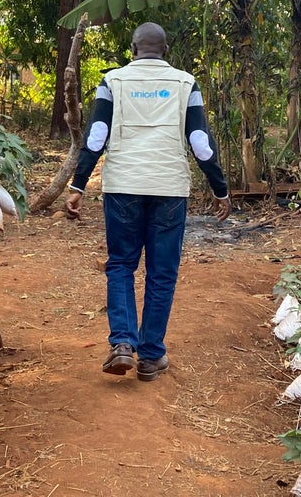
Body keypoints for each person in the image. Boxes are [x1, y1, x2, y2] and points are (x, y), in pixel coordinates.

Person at [64, 22, 231, 381]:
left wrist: (78, 185)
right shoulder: (186, 83)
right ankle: (151, 356)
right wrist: (220, 188)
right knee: (161, 273)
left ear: (133, 49)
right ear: (165, 50)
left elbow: (96, 137)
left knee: (121, 264)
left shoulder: (113, 82)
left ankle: (123, 342)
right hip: (169, 188)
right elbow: (200, 143)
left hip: (123, 185)